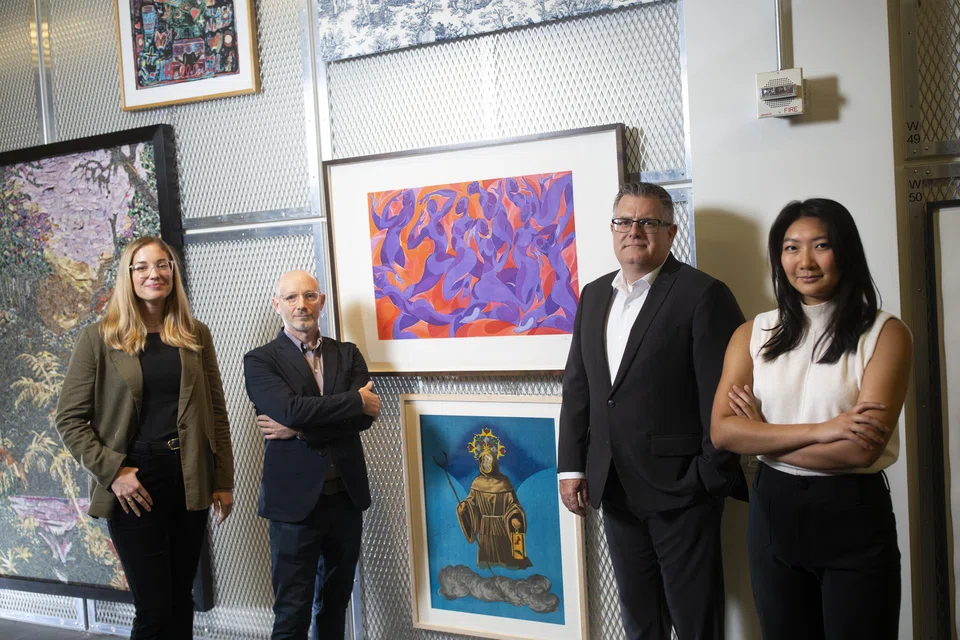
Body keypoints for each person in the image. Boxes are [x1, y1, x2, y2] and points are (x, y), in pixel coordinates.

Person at [710, 198, 910, 640]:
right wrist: (826, 428)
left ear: (846, 252)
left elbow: (860, 448)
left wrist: (761, 433)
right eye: (790, 248)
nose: (804, 261)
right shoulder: (753, 333)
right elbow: (723, 431)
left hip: (851, 514)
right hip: (772, 513)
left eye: (820, 246)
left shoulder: (885, 334)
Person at [558, 182, 745, 640]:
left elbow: (725, 396)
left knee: (696, 623)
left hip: (683, 491)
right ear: (612, 228)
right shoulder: (595, 295)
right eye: (624, 221)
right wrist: (571, 468)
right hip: (615, 487)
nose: (634, 231)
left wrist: (708, 477)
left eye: (648, 222)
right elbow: (579, 388)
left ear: (671, 231)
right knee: (640, 624)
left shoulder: (703, 295)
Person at [55, 236, 235, 639]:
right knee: (153, 610)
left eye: (163, 264)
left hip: (189, 475)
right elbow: (69, 418)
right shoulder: (99, 338)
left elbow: (216, 413)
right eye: (142, 267)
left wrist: (223, 480)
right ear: (128, 276)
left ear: (173, 271)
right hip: (135, 480)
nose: (154, 273)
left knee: (181, 599)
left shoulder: (195, 334)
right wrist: (114, 471)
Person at [243, 270, 380, 640]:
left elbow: (365, 420)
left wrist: (299, 429)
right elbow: (290, 410)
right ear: (277, 305)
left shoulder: (347, 354)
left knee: (334, 606)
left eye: (308, 296)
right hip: (293, 507)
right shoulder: (260, 361)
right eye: (291, 298)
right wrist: (351, 402)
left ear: (321, 301)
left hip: (345, 500)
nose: (301, 305)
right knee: (292, 611)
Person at [456, 430, 532, 570]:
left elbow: (513, 505)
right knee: (488, 561)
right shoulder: (477, 483)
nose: (486, 464)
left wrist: (515, 517)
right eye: (484, 461)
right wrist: (464, 508)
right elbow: (471, 503)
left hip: (503, 524)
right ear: (479, 463)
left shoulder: (504, 483)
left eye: (489, 461)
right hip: (485, 526)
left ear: (495, 462)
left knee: (507, 562)